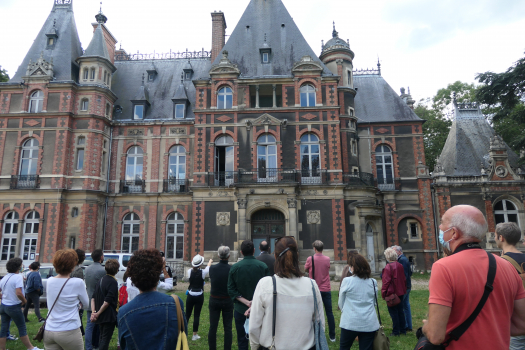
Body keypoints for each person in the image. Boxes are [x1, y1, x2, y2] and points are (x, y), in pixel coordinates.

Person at [422, 205, 525, 349]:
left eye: (442, 223)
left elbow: (435, 335)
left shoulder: (443, 267)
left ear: (454, 233)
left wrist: (426, 326)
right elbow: (521, 325)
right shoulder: (508, 266)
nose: (439, 226)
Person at [249, 236, 325, 350]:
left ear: (275, 256)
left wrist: (255, 346)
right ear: (297, 256)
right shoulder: (311, 285)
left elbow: (254, 326)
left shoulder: (265, 284)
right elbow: (320, 324)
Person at [118, 249, 187, 349]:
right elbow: (182, 336)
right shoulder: (175, 303)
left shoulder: (123, 312)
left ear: (132, 277)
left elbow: (125, 345)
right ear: (157, 275)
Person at [43, 249, 89, 350]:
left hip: (49, 329)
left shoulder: (50, 281)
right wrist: (78, 305)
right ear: (73, 265)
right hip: (69, 330)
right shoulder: (78, 282)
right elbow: (86, 304)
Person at [228, 240, 269, 350]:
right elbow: (267, 289)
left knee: (242, 339)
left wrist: (246, 302)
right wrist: (254, 302)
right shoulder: (262, 266)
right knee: (261, 339)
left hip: (241, 309)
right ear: (254, 251)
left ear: (241, 252)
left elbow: (231, 289)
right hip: (260, 309)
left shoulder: (235, 268)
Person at [338, 253, 379, 350]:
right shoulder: (373, 282)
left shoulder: (347, 281)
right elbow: (374, 302)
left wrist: (347, 310)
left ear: (353, 267)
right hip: (369, 321)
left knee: (344, 347)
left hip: (350, 321)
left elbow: (341, 302)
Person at [0, 257, 41, 350]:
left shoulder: (4, 277)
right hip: (13, 306)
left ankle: (2, 348)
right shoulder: (18, 277)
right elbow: (18, 292)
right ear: (18, 267)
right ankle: (30, 348)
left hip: (3, 306)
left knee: (3, 328)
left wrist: (4, 296)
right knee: (22, 327)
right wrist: (24, 301)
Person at [304, 240, 336, 342]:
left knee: (312, 313)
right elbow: (327, 268)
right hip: (326, 289)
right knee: (329, 312)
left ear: (314, 248)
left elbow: (305, 269)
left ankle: (313, 334)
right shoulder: (327, 259)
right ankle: (332, 336)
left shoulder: (310, 259)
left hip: (314, 289)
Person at [91, 259, 119, 350]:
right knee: (105, 340)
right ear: (117, 270)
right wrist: (97, 313)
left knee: (102, 338)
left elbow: (93, 298)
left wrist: (93, 312)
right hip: (108, 315)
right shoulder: (113, 282)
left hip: (100, 314)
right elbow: (107, 301)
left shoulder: (100, 280)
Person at [208, 246, 234, 350]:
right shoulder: (231, 269)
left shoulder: (213, 268)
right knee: (228, 328)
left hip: (214, 299)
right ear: (229, 256)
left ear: (218, 255)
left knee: (213, 327)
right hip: (227, 299)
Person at [186, 254, 212, 341]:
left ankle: (184, 334)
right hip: (199, 295)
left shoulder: (189, 271)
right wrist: (210, 262)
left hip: (190, 294)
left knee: (187, 314)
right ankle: (194, 335)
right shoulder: (203, 273)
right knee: (196, 315)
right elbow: (208, 267)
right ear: (200, 264)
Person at [381, 247, 406, 336]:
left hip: (392, 293)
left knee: (394, 313)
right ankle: (403, 330)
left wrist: (383, 293)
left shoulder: (388, 267)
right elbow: (404, 278)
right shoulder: (400, 265)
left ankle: (396, 331)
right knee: (400, 311)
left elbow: (386, 282)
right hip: (401, 291)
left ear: (387, 257)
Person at [84, 249, 105, 350]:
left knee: (89, 325)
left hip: (89, 299)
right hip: (99, 301)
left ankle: (88, 346)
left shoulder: (87, 269)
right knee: (100, 325)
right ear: (101, 257)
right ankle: (97, 345)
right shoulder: (102, 270)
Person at [393, 245, 413, 332]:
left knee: (402, 306)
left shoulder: (402, 260)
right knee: (406, 305)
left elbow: (404, 275)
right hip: (407, 286)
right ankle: (408, 325)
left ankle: (405, 325)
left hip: (404, 287)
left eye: (394, 251)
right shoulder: (403, 259)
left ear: (398, 251)